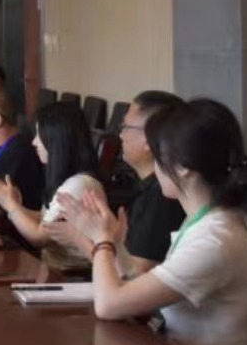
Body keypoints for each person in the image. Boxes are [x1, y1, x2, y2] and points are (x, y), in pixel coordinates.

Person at [59, 98, 247, 345]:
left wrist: (102, 241)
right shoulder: (205, 220)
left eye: (158, 156)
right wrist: (115, 244)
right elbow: (139, 284)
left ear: (183, 167)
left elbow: (109, 304)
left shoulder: (215, 239)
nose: (155, 167)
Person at [48, 90, 187, 277]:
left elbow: (135, 274)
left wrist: (79, 238)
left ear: (150, 137)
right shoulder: (149, 188)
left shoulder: (160, 198)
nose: (121, 135)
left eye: (126, 127)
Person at [0, 101, 103, 259]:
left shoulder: (78, 185)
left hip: (68, 270)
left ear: (56, 140)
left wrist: (11, 206)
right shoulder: (71, 180)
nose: (34, 142)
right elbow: (43, 218)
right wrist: (16, 205)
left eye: (39, 135)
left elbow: (38, 237)